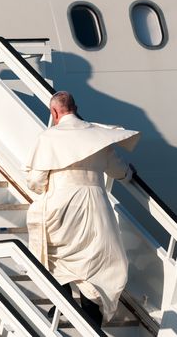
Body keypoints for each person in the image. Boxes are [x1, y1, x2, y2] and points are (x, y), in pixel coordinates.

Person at [26, 91, 140, 327]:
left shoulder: (49, 137)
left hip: (62, 205)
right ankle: (91, 314)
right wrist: (129, 174)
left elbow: (36, 181)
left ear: (54, 112)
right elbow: (118, 170)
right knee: (96, 260)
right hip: (96, 204)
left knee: (55, 255)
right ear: (75, 107)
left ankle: (62, 300)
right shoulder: (96, 136)